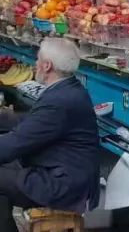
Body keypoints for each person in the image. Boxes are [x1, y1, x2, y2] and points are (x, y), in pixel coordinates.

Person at [0, 38, 98, 232]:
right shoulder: (68, 89)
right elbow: (32, 122)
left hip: (61, 185)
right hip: (61, 172)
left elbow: (13, 145)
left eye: (38, 59)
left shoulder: (60, 101)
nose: (35, 64)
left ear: (47, 66)